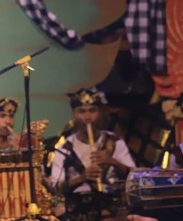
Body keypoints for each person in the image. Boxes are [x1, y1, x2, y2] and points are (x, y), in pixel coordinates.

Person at [51, 87, 135, 221]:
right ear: (74, 115)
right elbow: (56, 187)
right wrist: (82, 178)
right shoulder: (65, 148)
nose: (87, 117)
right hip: (79, 211)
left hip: (111, 207)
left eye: (92, 111)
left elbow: (134, 176)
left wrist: (112, 161)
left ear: (100, 113)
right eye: (81, 112)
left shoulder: (114, 141)